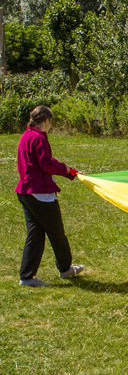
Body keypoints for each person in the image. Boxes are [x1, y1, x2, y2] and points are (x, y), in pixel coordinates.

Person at [15, 106, 84, 287]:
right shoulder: (38, 138)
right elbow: (46, 164)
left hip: (26, 193)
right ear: (46, 120)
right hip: (40, 195)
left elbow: (43, 162)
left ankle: (26, 277)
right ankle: (65, 269)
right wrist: (67, 170)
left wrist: (70, 172)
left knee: (35, 235)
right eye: (51, 122)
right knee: (57, 234)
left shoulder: (26, 136)